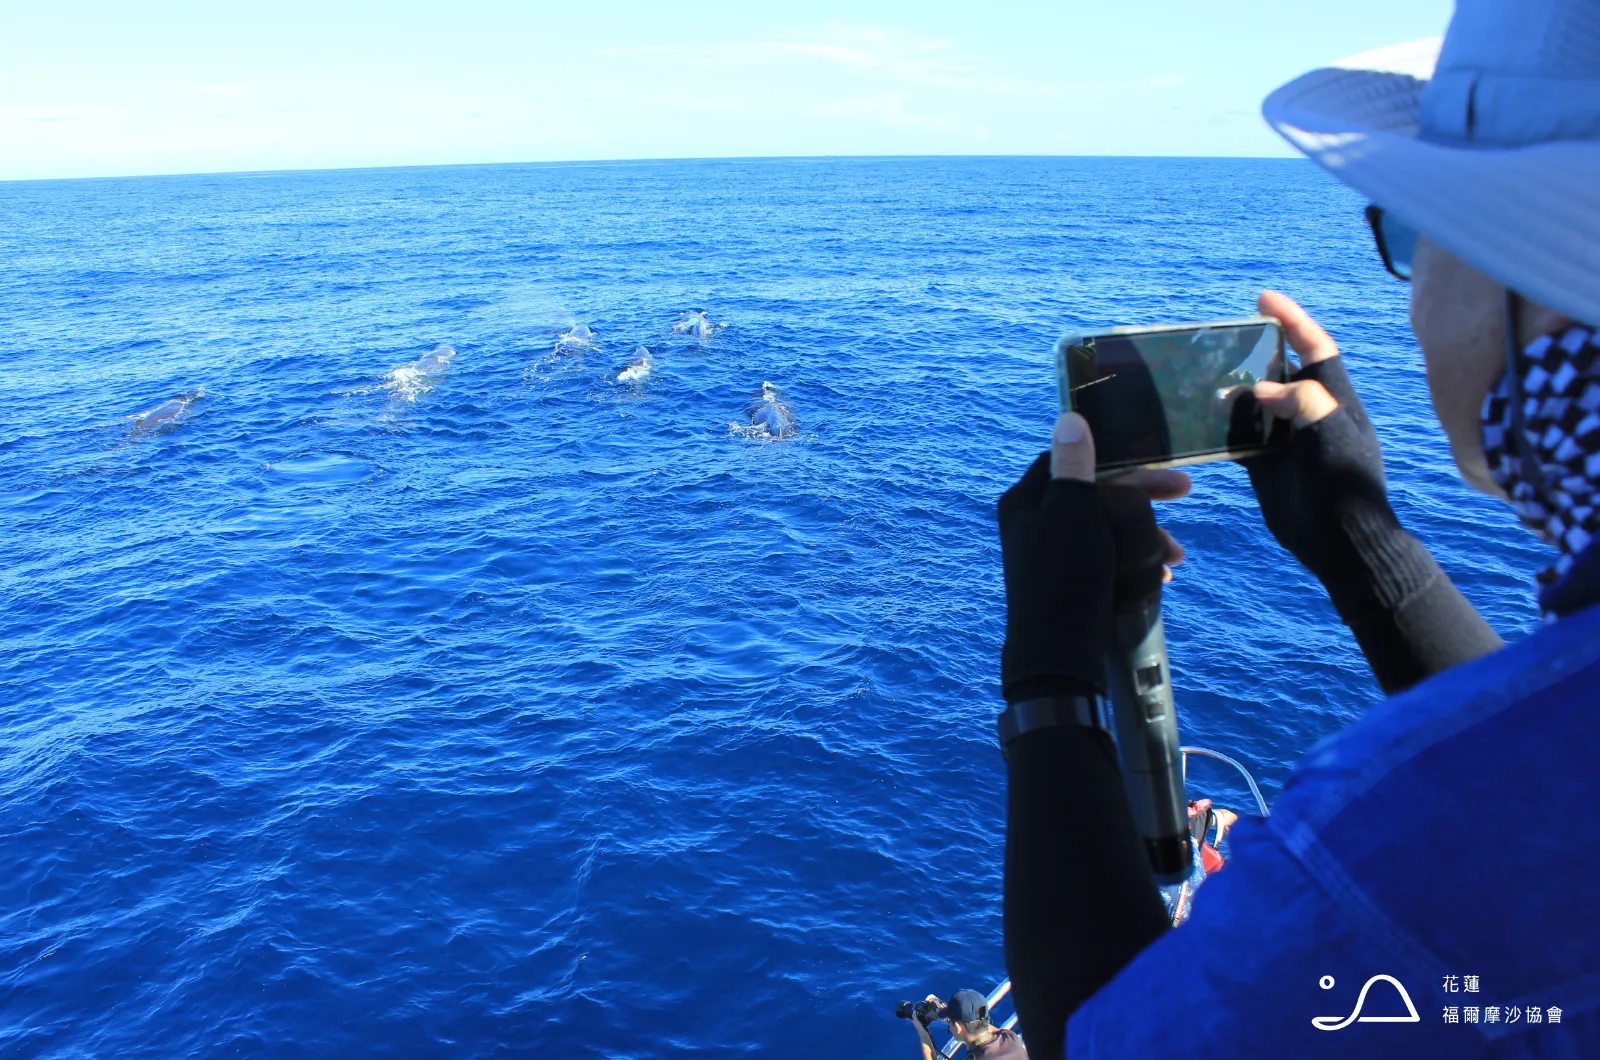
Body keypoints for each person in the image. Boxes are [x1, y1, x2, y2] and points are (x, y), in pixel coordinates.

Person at [994, 0, 1600, 1055]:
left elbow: (1100, 1040)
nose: (1412, 301)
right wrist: (1367, 547)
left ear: (1532, 279)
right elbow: (1556, 780)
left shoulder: (1384, 848)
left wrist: (1047, 664)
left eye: (1411, 234)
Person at [909, 990, 1029, 1060]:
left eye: (950, 1022)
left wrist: (922, 1031)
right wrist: (954, 1018)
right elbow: (983, 1025)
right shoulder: (1010, 1037)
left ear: (958, 1027)